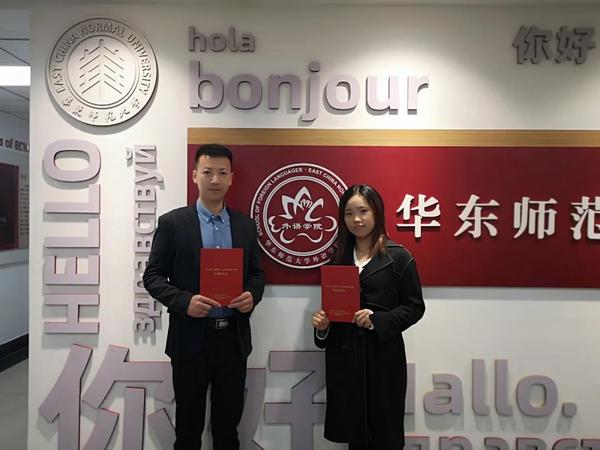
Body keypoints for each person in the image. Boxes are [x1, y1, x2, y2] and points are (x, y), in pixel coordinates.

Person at [143, 143, 265, 450]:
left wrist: (252, 295)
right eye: (208, 172)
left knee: (228, 430)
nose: (214, 179)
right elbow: (152, 277)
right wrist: (185, 302)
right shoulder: (172, 224)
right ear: (194, 175)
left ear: (231, 178)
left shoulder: (245, 225)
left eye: (222, 173)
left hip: (233, 340)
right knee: (188, 429)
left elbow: (257, 274)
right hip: (190, 340)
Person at [312, 184, 425, 450]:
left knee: (386, 435)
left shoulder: (398, 257)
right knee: (355, 437)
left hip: (383, 361)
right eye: (349, 213)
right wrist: (322, 326)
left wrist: (378, 319)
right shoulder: (337, 258)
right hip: (346, 361)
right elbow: (332, 310)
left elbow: (415, 307)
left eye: (363, 211)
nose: (357, 219)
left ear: (377, 212)